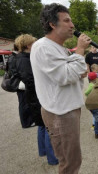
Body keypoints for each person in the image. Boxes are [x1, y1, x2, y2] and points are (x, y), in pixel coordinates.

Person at [30, 3, 91, 174]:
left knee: (73, 157)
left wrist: (78, 72)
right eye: (67, 21)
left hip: (67, 108)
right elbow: (64, 76)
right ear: (52, 24)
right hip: (60, 113)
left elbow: (67, 72)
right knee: (69, 161)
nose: (72, 25)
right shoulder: (43, 47)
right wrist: (80, 50)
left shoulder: (58, 48)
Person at [15, 34, 58, 166]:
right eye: (33, 43)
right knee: (47, 126)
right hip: (37, 97)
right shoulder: (24, 59)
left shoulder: (24, 58)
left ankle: (43, 151)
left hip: (35, 96)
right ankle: (52, 158)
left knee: (41, 125)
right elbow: (30, 80)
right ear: (28, 45)